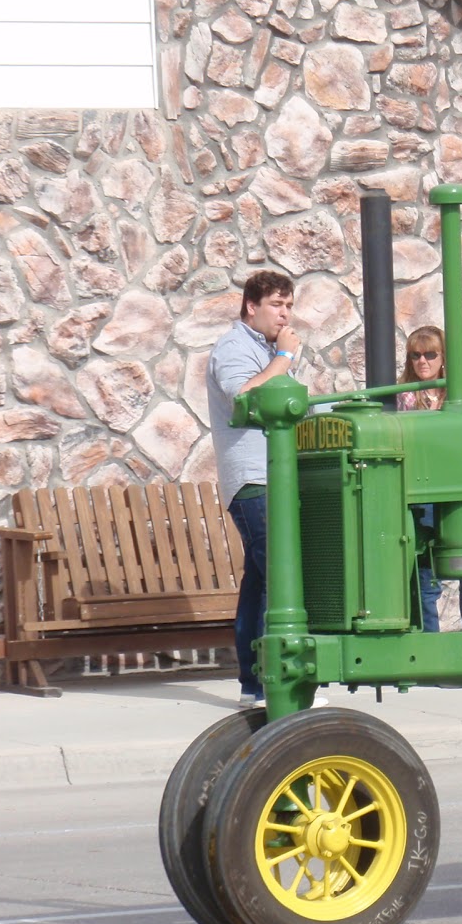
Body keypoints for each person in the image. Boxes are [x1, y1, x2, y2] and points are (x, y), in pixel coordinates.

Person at [206, 270, 324, 711]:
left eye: (289, 305)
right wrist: (285, 359)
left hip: (275, 476)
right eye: (277, 305)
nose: (285, 314)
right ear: (250, 306)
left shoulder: (267, 349)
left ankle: (253, 686)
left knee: (259, 583)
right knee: (282, 577)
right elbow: (244, 396)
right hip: (254, 478)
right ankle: (280, 682)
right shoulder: (234, 349)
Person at [397, 325, 462, 632]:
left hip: (457, 488)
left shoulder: (461, 392)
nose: (422, 362)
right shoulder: (404, 395)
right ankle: (430, 641)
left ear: (443, 357)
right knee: (425, 568)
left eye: (430, 354)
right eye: (415, 355)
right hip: (423, 489)